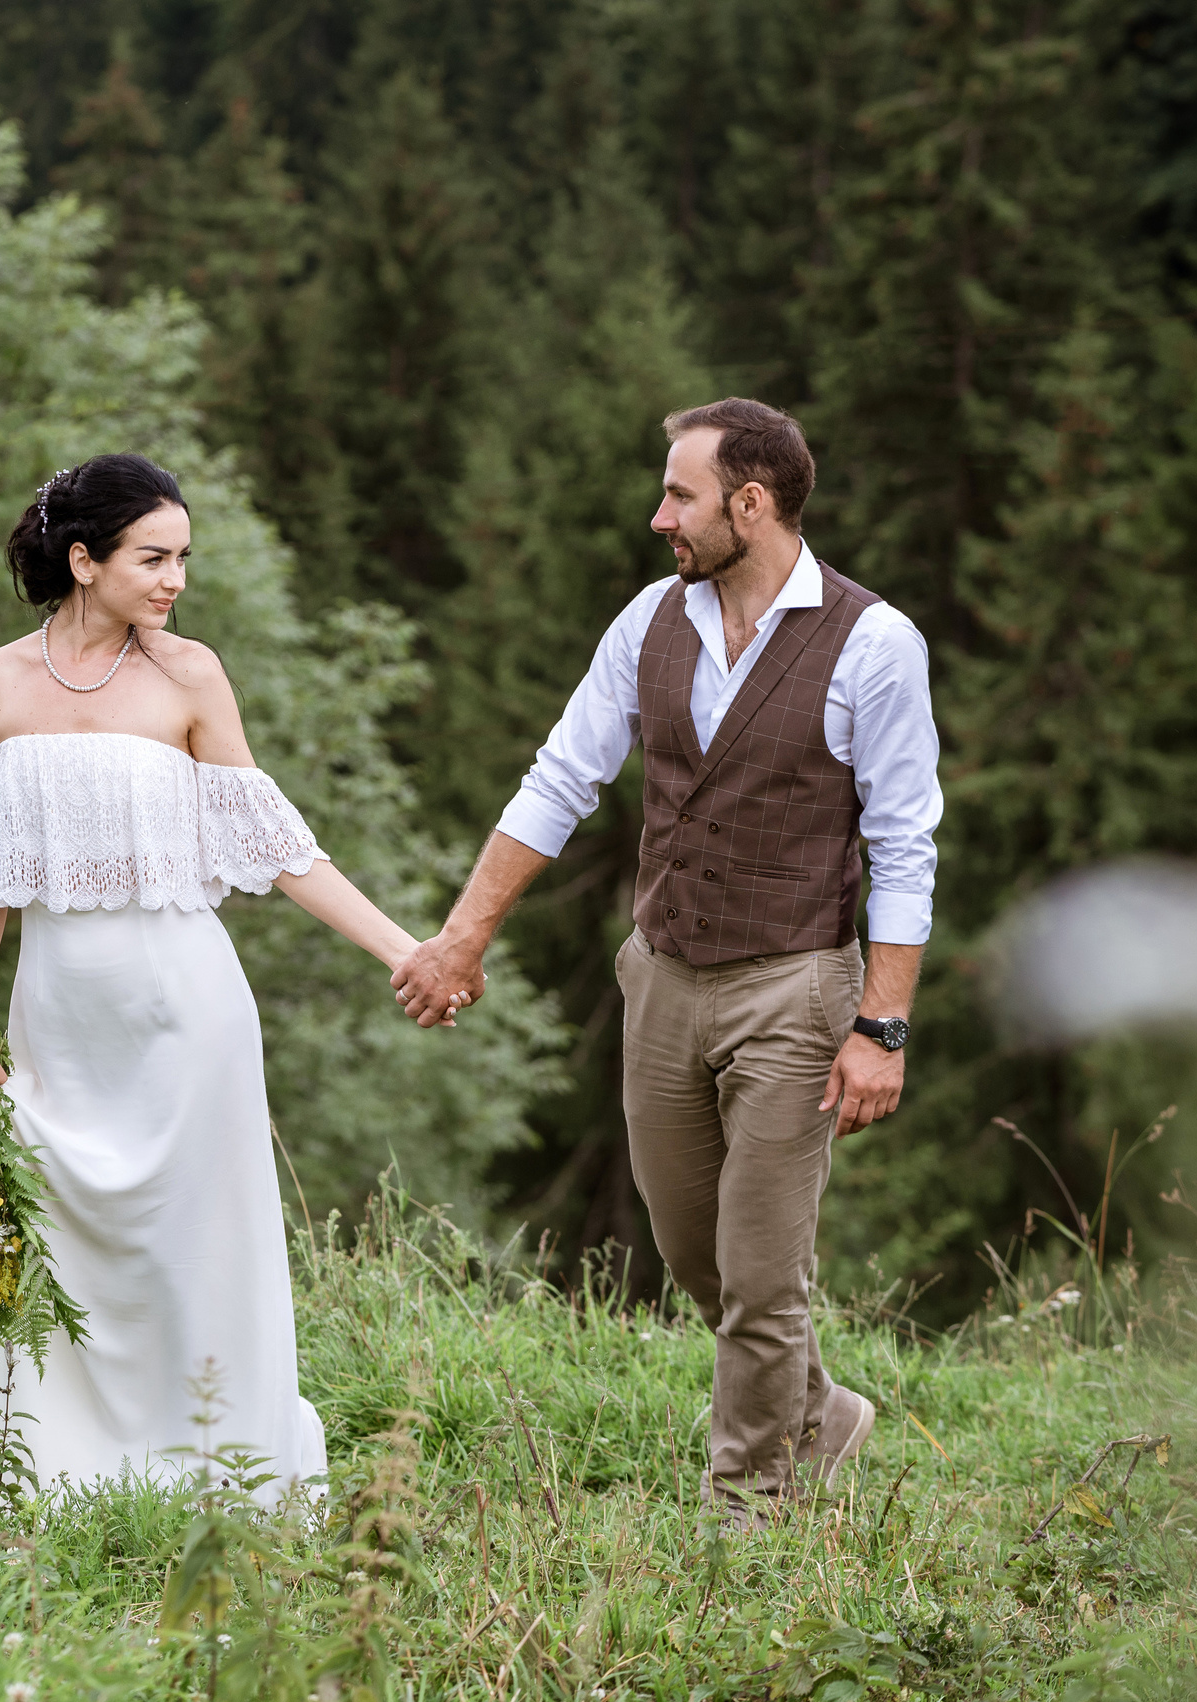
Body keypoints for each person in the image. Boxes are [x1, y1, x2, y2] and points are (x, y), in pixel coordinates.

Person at [392, 399, 942, 1526]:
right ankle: (823, 1412)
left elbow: (903, 844)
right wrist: (462, 935)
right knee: (698, 1253)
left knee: (761, 1274)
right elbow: (560, 778)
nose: (659, 517)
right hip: (662, 975)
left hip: (795, 986)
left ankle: (749, 1506)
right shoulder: (651, 618)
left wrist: (881, 1026)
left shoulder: (874, 643)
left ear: (752, 502)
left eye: (680, 495)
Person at [0, 452, 459, 1501]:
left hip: (186, 1005)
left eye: (183, 557)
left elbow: (278, 845)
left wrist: (405, 948)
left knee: (198, 1240)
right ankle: (48, 1467)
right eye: (153, 557)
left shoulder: (190, 676)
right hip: (58, 1016)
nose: (175, 579)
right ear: (83, 560)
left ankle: (223, 1465)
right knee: (61, 1237)